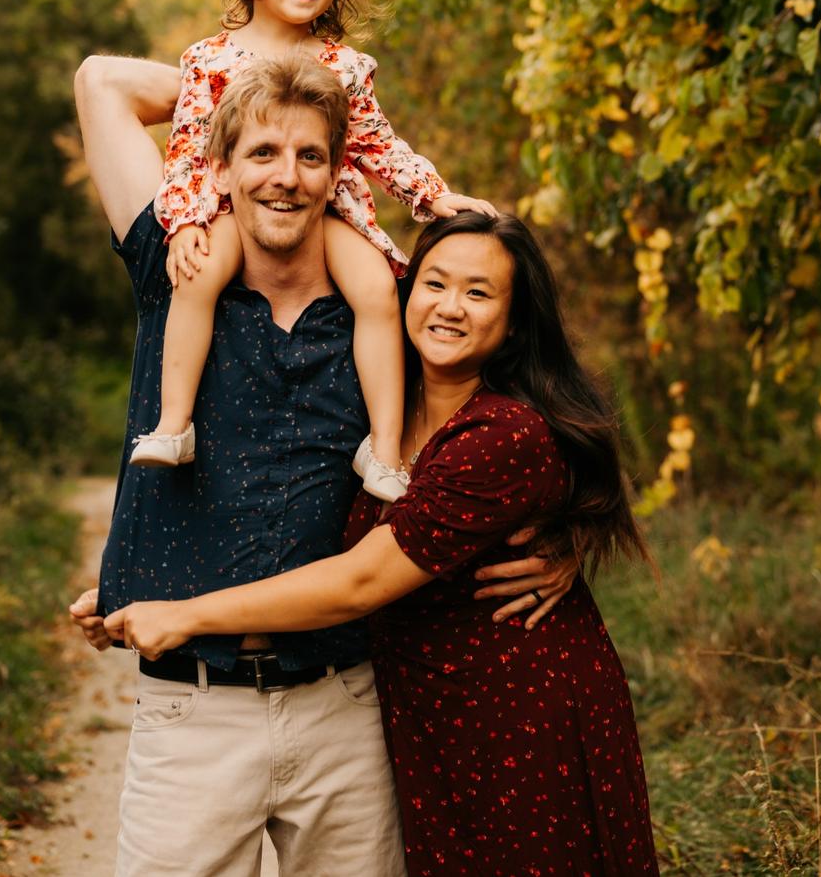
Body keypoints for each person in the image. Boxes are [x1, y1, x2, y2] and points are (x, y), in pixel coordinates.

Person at [69, 49, 574, 877]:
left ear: (339, 172)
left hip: (347, 702)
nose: (286, 178)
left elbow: (522, 412)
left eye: (310, 156)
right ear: (220, 168)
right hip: (193, 710)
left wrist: (567, 523)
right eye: (262, 154)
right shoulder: (178, 261)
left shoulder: (387, 304)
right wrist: (251, 74)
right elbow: (101, 81)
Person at [106, 211, 661, 877]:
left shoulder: (500, 432)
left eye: (479, 293)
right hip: (424, 714)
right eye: (434, 283)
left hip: (516, 715)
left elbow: (360, 580)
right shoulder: (379, 405)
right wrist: (132, 581)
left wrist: (183, 611)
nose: (450, 307)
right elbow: (283, 503)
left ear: (514, 322)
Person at [133, 0, 494, 503]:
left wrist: (433, 197)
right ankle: (174, 424)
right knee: (194, 279)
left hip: (328, 209)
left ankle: (383, 451)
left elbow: (377, 144)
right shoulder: (212, 60)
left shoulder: (344, 66)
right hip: (234, 209)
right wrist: (187, 221)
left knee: (378, 290)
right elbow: (191, 148)